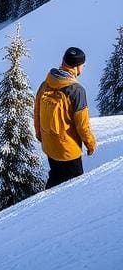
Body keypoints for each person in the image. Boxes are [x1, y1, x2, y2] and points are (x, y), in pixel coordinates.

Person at [34, 47, 97, 189]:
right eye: (83, 65)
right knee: (73, 188)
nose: (83, 67)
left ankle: (43, 206)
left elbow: (36, 112)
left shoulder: (46, 84)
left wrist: (40, 135)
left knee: (55, 177)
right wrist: (91, 144)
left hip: (49, 145)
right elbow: (82, 125)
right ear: (76, 67)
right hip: (69, 150)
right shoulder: (76, 90)